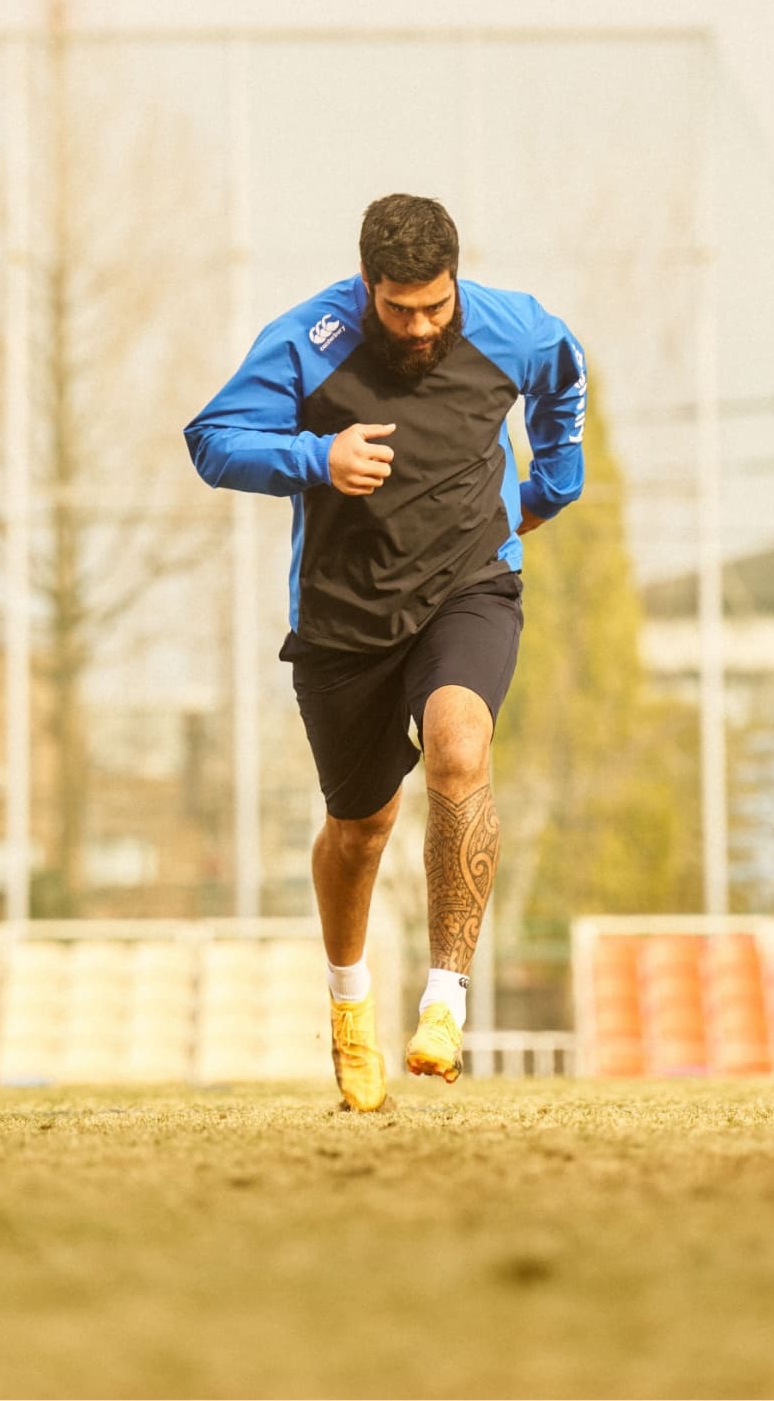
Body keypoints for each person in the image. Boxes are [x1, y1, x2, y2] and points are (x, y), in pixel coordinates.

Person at [184, 193, 586, 1111]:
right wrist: (313, 460)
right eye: (399, 307)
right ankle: (349, 1004)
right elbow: (212, 442)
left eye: (435, 306)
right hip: (343, 618)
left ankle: (445, 1001)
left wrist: (553, 481)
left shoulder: (513, 329)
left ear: (456, 281)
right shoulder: (306, 341)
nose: (418, 325)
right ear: (368, 284)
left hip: (468, 586)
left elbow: (564, 374)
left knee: (459, 746)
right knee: (360, 831)